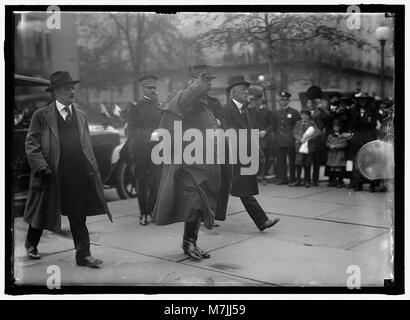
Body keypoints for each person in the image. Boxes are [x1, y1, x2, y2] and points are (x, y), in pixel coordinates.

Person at [23, 71, 112, 267]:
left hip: (76, 175)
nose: (72, 91)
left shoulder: (80, 116)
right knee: (42, 212)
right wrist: (41, 167)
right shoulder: (41, 116)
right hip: (50, 174)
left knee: (78, 215)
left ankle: (83, 255)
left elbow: (86, 145)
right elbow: (31, 144)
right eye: (66, 88)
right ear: (55, 93)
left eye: (72, 87)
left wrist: (93, 170)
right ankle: (31, 243)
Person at [152, 65, 230, 260]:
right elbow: (176, 105)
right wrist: (196, 88)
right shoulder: (183, 98)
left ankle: (190, 241)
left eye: (210, 81)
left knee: (200, 205)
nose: (210, 85)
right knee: (194, 203)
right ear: (194, 81)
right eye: (206, 81)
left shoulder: (207, 102)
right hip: (187, 164)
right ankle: (189, 243)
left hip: (205, 164)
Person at [222, 75, 280, 231]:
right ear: (234, 92)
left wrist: (257, 150)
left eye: (246, 89)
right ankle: (262, 221)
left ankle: (203, 216)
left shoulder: (244, 110)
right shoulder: (226, 110)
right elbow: (227, 133)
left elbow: (249, 133)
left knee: (238, 189)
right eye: (243, 89)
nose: (246, 92)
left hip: (242, 156)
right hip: (232, 157)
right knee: (240, 190)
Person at [126, 75, 163, 225]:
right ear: (142, 89)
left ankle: (152, 210)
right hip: (139, 149)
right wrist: (151, 135)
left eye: (154, 87)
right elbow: (132, 130)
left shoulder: (160, 106)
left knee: (155, 181)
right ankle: (144, 213)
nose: (153, 90)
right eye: (149, 88)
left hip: (156, 150)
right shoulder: (134, 106)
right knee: (140, 182)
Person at [348, 92, 379, 191]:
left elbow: (373, 124)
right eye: (360, 99)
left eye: (364, 99)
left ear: (368, 100)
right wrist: (358, 121)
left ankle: (372, 183)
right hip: (358, 136)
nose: (362, 101)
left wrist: (362, 122)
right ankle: (358, 182)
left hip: (369, 135)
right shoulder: (354, 110)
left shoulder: (373, 111)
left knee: (370, 159)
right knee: (357, 159)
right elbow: (352, 124)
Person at [246, 85, 274, 185]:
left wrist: (266, 131)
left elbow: (272, 124)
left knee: (263, 158)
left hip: (263, 138)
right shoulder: (250, 110)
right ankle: (254, 176)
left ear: (262, 99)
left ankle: (262, 177)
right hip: (253, 137)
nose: (257, 102)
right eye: (255, 100)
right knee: (253, 157)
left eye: (258, 99)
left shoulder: (268, 111)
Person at [273, 90, 301, 185]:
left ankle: (292, 178)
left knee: (292, 160)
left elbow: (298, 127)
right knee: (281, 160)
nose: (282, 102)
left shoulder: (294, 112)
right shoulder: (276, 113)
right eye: (281, 100)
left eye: (285, 100)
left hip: (290, 140)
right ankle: (282, 178)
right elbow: (274, 126)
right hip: (279, 140)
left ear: (288, 101)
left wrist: (296, 138)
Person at [305, 86, 329, 186]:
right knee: (306, 161)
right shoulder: (305, 112)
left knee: (316, 162)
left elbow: (328, 118)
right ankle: (307, 180)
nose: (311, 104)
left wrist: (321, 107)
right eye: (310, 102)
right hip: (308, 139)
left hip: (318, 140)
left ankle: (315, 180)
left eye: (313, 102)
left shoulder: (321, 112)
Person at [290, 109, 320, 187]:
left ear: (309, 116)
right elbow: (295, 133)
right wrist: (300, 139)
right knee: (298, 163)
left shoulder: (312, 123)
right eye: (302, 115)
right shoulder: (298, 123)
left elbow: (317, 132)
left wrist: (309, 138)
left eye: (306, 115)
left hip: (309, 146)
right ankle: (298, 180)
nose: (304, 116)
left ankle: (307, 180)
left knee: (307, 163)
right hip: (299, 146)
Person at [326, 119, 349, 188]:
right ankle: (332, 181)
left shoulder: (342, 136)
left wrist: (336, 146)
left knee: (338, 168)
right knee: (332, 168)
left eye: (337, 127)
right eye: (334, 127)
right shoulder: (330, 135)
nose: (335, 128)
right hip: (332, 154)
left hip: (339, 154)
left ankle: (340, 181)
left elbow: (345, 144)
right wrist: (329, 145)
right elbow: (327, 142)